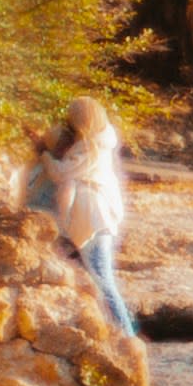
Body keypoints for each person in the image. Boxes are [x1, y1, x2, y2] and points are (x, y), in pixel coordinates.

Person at [40, 96, 134, 338]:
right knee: (98, 278)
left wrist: (45, 156)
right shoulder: (98, 144)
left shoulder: (90, 149)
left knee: (104, 282)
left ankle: (126, 336)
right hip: (99, 218)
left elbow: (61, 173)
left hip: (94, 220)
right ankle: (116, 333)